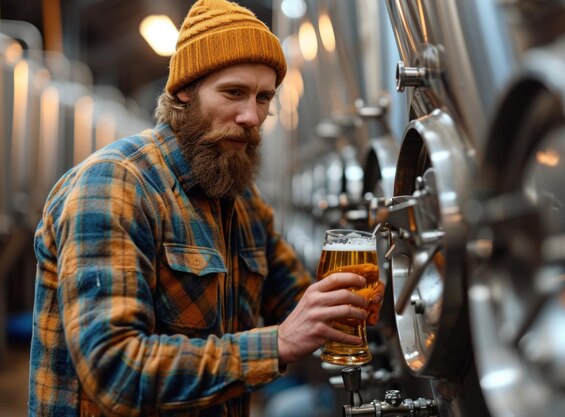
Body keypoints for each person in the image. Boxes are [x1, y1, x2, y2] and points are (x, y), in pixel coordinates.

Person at [27, 0, 384, 416]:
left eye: (264, 97)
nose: (252, 116)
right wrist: (279, 343)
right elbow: (116, 372)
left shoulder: (241, 199)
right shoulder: (114, 184)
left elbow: (296, 298)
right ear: (184, 90)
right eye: (234, 92)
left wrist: (348, 302)